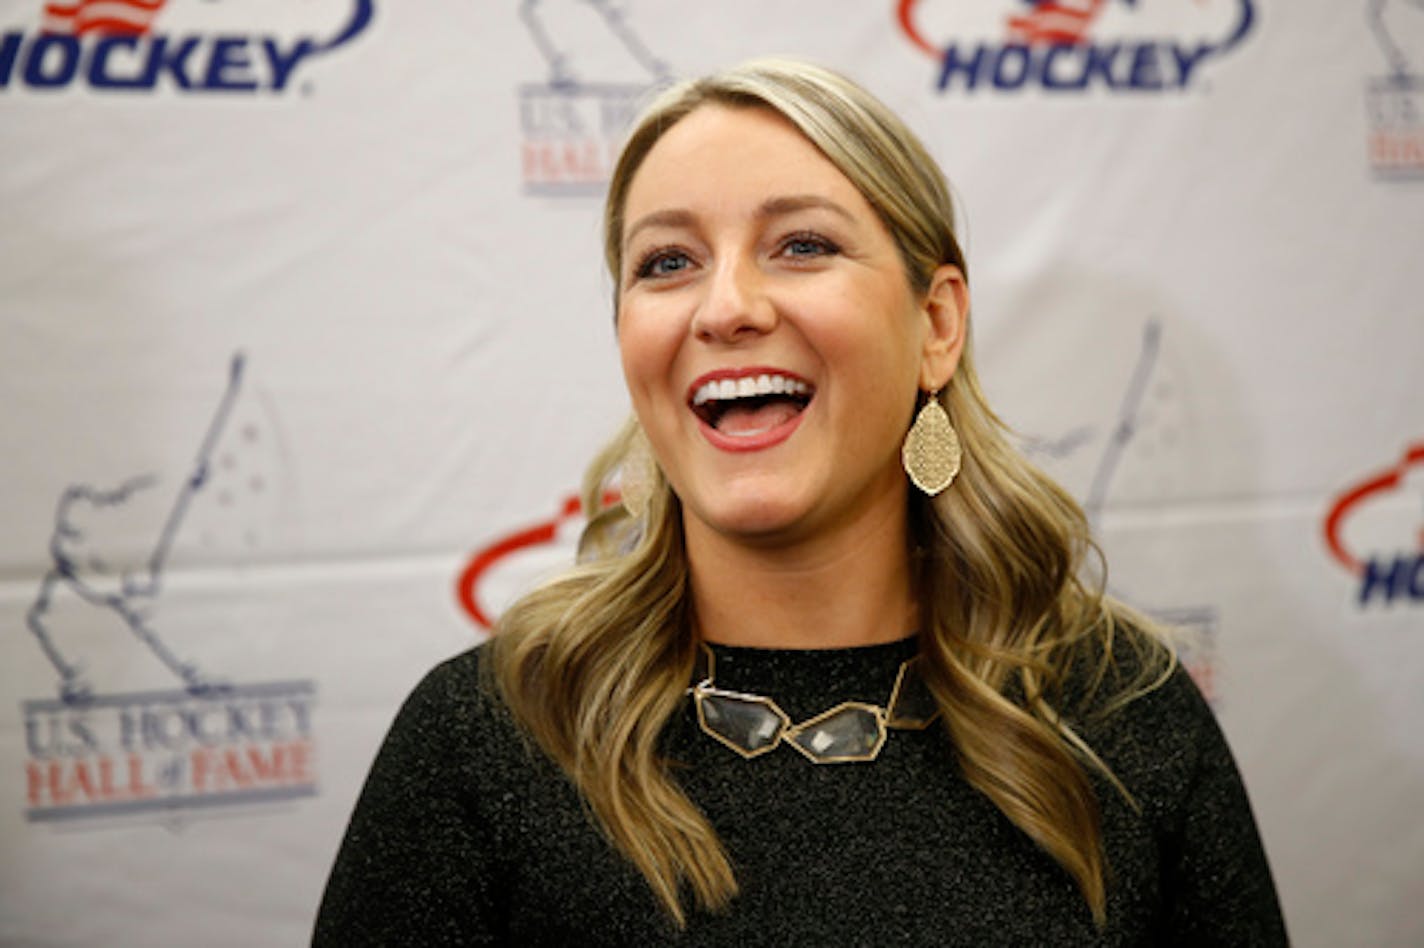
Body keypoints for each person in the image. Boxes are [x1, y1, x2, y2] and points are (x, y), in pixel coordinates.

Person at [314, 58, 1288, 946]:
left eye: (800, 245)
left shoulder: (1119, 710)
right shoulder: (488, 734)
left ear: (936, 324)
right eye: (665, 262)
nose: (725, 306)